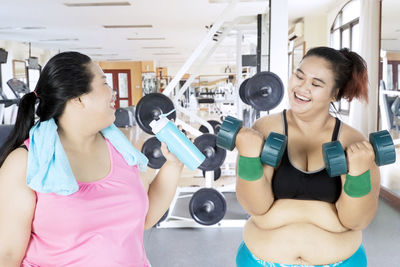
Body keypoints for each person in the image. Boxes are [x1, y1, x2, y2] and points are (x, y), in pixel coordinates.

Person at [0, 52, 184, 266]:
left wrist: (173, 165)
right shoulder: (24, 163)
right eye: (104, 83)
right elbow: (7, 255)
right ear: (78, 98)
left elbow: (144, 218)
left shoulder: (121, 150)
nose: (113, 92)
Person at [235, 47, 379, 266]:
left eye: (316, 83)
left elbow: (356, 220)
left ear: (334, 93)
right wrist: (248, 158)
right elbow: (255, 207)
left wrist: (358, 174)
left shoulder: (353, 143)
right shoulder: (265, 129)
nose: (301, 87)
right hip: (262, 261)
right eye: (299, 75)